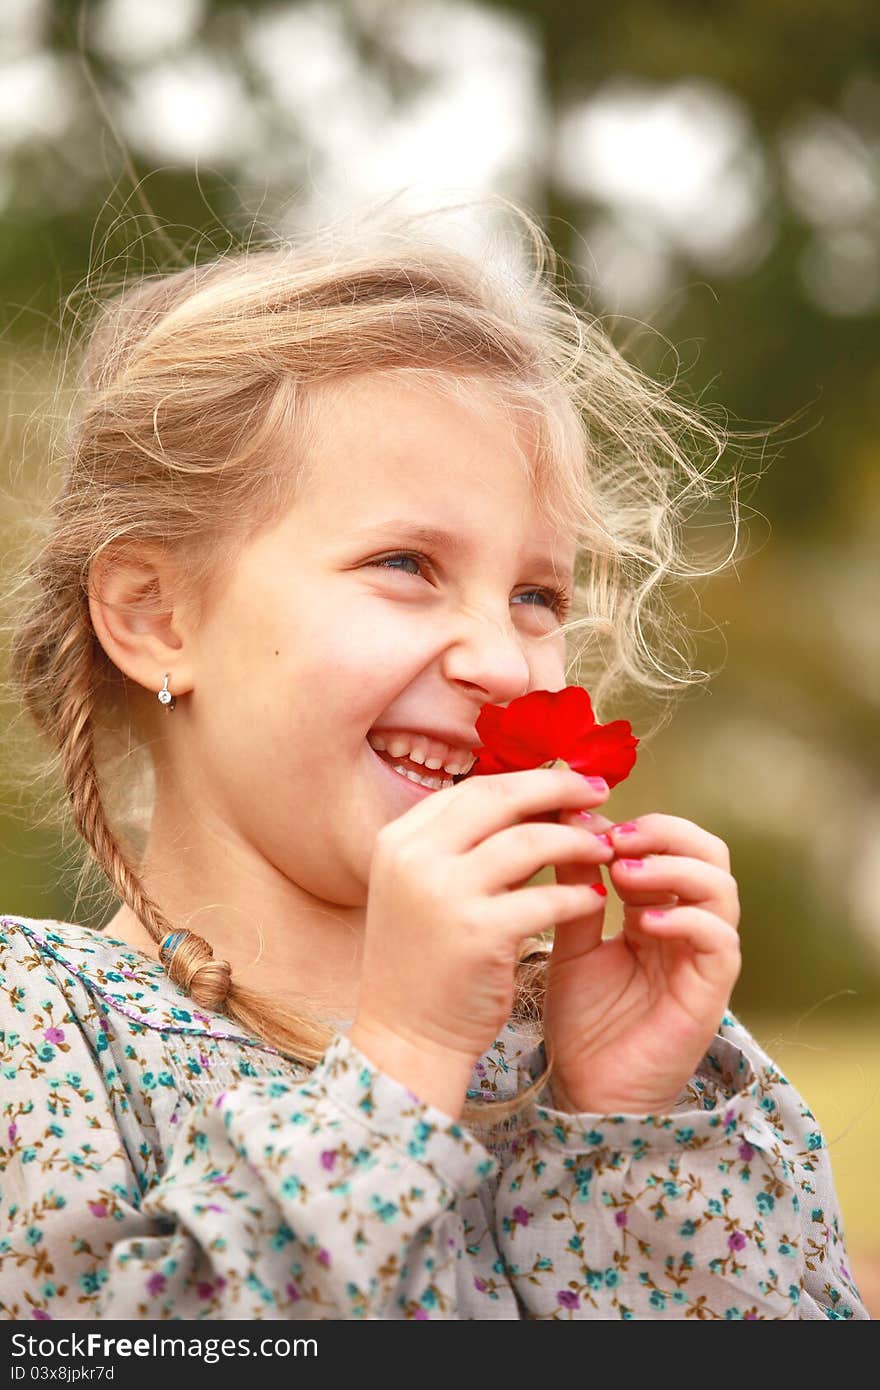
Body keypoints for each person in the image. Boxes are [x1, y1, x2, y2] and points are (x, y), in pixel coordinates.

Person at [0, 197, 868, 1321]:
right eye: (406, 563)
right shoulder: (39, 1032)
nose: (506, 663)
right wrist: (402, 1057)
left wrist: (624, 1131)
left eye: (536, 594)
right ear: (155, 614)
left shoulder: (621, 1064)